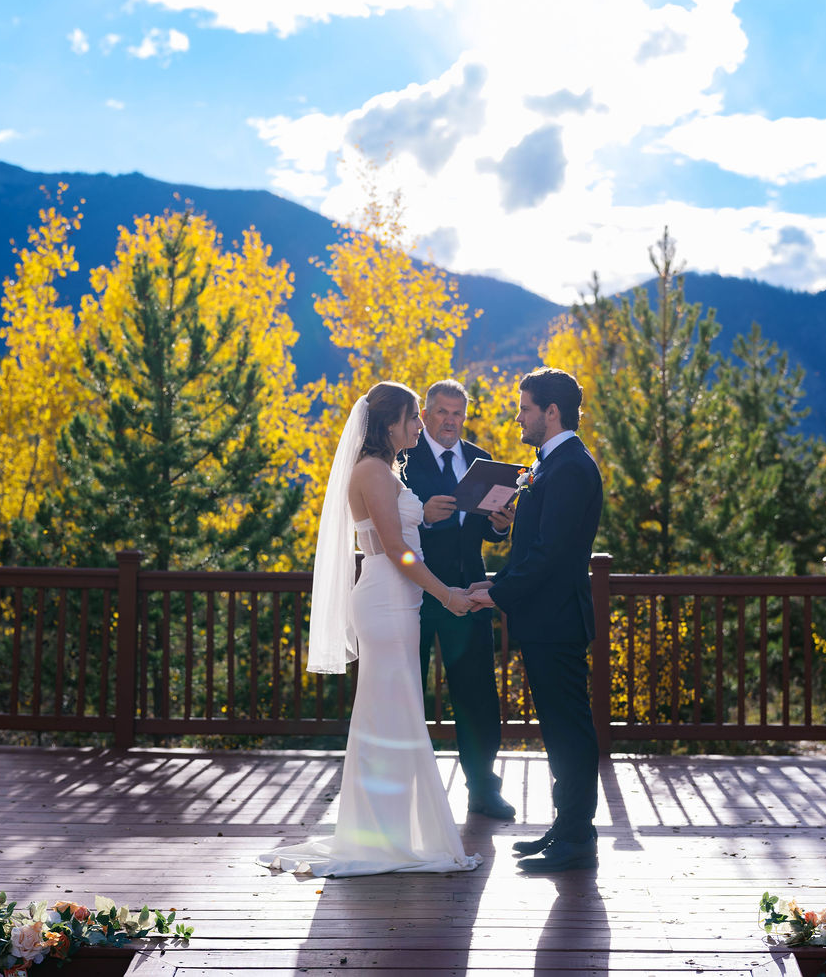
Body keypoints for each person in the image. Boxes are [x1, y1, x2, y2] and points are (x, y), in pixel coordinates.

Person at [257, 381, 482, 877]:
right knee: (395, 713)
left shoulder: (384, 471)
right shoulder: (373, 472)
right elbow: (399, 553)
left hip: (397, 600)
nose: (420, 426)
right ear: (389, 424)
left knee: (392, 714)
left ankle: (387, 831)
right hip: (386, 600)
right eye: (412, 418)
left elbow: (399, 536)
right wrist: (448, 594)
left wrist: (424, 514)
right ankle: (389, 836)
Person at [470, 367, 603, 873]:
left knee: (569, 729)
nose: (518, 417)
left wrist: (496, 594)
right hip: (545, 617)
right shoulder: (550, 464)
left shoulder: (569, 467)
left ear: (552, 411)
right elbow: (536, 542)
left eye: (525, 407)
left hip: (557, 620)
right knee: (558, 728)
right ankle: (567, 826)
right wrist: (497, 572)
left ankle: (577, 836)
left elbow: (552, 554)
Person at [403, 379, 515, 819]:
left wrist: (502, 524)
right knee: (407, 690)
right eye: (442, 412)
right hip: (415, 591)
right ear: (426, 415)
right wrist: (425, 518)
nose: (450, 421)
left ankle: (483, 791)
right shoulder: (402, 458)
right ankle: (407, 793)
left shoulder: (481, 461)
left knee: (477, 694)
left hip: (468, 593)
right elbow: (392, 524)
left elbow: (485, 529)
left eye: (458, 413)